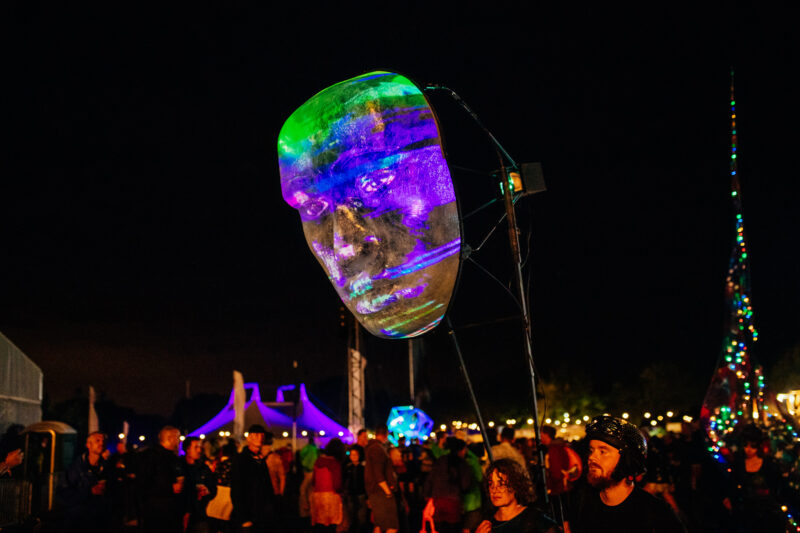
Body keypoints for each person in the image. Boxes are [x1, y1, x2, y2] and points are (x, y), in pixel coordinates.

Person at [564, 415, 685, 533]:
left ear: (626, 460)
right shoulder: (581, 503)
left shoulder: (656, 513)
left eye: (603, 451)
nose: (591, 457)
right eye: (591, 451)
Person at [723, 425, 784, 532]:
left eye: (753, 446)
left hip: (766, 513)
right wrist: (729, 498)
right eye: (746, 445)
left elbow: (776, 486)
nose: (748, 449)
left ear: (758, 446)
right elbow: (732, 483)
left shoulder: (769, 464)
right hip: (745, 511)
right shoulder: (739, 463)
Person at [475, 459, 558, 533]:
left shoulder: (534, 519)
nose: (495, 490)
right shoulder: (486, 522)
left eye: (501, 484)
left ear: (515, 485)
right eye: (491, 484)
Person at [58, 431, 111, 532]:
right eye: (97, 441)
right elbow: (63, 494)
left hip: (100, 521)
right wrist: (90, 491)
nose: (101, 443)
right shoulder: (75, 467)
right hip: (79, 522)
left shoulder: (107, 467)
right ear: (88, 445)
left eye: (104, 441)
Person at [138, 426, 185, 533]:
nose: (179, 441)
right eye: (177, 437)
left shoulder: (173, 457)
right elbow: (144, 483)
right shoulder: (150, 457)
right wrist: (169, 487)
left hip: (172, 509)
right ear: (169, 438)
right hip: (157, 511)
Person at [231, 425, 276, 532]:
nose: (260, 438)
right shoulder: (241, 459)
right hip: (248, 514)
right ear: (249, 438)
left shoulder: (261, 459)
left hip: (263, 515)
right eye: (256, 435)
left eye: (262, 435)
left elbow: (267, 486)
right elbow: (236, 490)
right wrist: (243, 518)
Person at [423, 437, 472, 533]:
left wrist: (426, 494)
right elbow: (466, 485)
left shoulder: (441, 460)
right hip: (453, 500)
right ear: (461, 450)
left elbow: (430, 478)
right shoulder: (462, 463)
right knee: (453, 528)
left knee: (439, 528)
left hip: (438, 498)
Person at [365, 425, 399, 533]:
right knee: (391, 526)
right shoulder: (377, 449)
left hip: (376, 491)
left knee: (379, 524)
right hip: (381, 492)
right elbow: (378, 473)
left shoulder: (372, 447)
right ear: (386, 434)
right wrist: (388, 492)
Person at [310, 438, 346, 532]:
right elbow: (337, 484)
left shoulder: (318, 460)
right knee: (331, 525)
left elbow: (313, 481)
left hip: (317, 496)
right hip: (331, 497)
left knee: (319, 524)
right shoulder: (334, 463)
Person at [182, 436, 217, 533]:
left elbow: (213, 487)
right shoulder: (179, 466)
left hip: (200, 515)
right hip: (180, 513)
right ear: (187, 449)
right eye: (196, 447)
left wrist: (207, 491)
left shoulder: (203, 468)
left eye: (200, 447)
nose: (199, 450)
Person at [343, 445, 368, 533]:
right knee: (352, 515)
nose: (353, 457)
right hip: (351, 494)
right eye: (351, 455)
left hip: (361, 494)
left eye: (355, 455)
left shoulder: (363, 468)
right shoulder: (348, 467)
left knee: (361, 517)